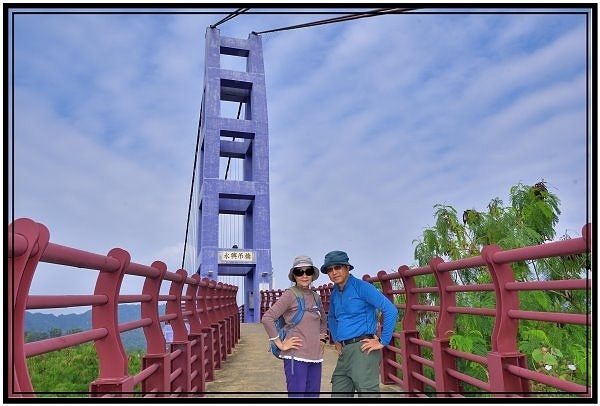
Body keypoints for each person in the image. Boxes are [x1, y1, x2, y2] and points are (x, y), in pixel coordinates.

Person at [321, 250, 399, 397]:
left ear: (347, 268)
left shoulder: (362, 287)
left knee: (367, 394)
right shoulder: (335, 292)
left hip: (362, 349)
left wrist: (383, 341)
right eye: (329, 269)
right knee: (339, 391)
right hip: (344, 352)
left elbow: (390, 310)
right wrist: (337, 339)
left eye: (337, 267)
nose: (334, 272)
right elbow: (331, 316)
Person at [261, 255, 328, 397]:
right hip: (295, 357)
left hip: (315, 356)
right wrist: (280, 344)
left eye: (308, 271)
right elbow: (267, 318)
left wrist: (322, 338)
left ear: (312, 275)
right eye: (299, 272)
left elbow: (323, 319)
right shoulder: (289, 295)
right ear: (294, 276)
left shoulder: (316, 297)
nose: (304, 276)